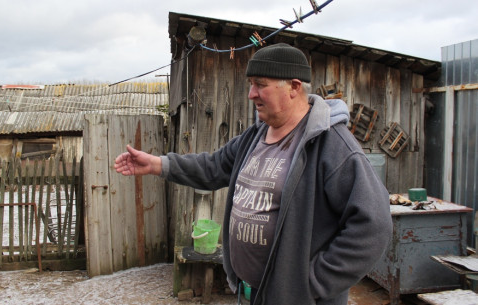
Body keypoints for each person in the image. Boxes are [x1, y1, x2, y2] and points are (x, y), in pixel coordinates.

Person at [114, 43, 392, 305]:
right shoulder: (255, 136)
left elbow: (373, 225)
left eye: (261, 84)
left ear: (294, 87)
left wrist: (311, 282)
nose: (251, 94)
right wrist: (157, 165)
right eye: (251, 84)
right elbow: (213, 166)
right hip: (250, 294)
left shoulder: (332, 144)